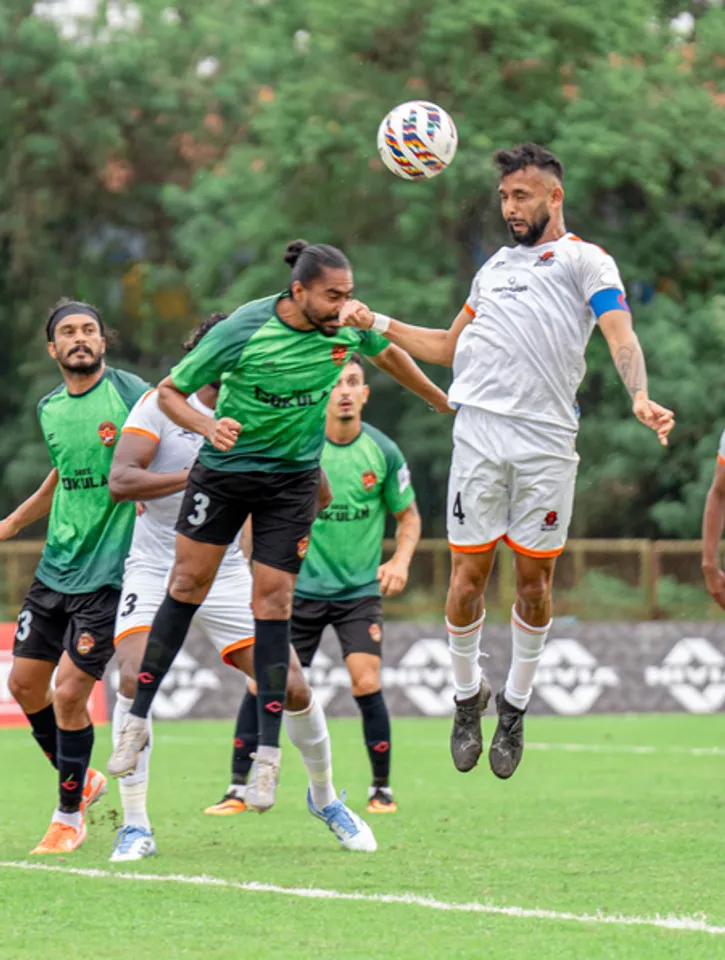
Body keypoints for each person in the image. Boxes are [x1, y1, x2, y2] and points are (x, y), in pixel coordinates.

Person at [339, 143, 675, 781]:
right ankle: (469, 696)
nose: (510, 208)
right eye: (503, 198)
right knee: (466, 580)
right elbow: (444, 346)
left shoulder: (586, 262)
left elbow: (619, 332)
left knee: (534, 584)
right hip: (480, 438)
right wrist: (374, 318)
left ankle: (515, 706)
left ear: (555, 197)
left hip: (547, 443)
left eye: (521, 196)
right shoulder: (491, 269)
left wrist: (639, 394)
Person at [109, 239, 450, 812]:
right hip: (226, 473)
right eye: (333, 295)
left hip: (290, 480)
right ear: (299, 292)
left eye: (349, 293)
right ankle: (135, 720)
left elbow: (389, 354)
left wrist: (438, 400)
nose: (346, 305)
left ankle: (267, 759)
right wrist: (204, 425)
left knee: (274, 601)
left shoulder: (345, 326)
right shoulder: (244, 328)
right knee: (185, 585)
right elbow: (170, 390)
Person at [107, 314, 376, 859]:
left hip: (228, 570)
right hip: (159, 565)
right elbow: (121, 481)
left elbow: (315, 491)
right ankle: (135, 824)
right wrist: (206, 472)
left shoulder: (262, 403)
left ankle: (325, 799)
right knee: (134, 676)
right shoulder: (162, 405)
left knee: (294, 688)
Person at [211, 353, 419, 816]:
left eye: (354, 383)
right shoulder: (301, 447)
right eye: (337, 383)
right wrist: (251, 565)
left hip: (357, 594)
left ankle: (380, 789)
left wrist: (400, 560)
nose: (344, 391)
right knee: (261, 683)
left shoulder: (382, 451)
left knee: (366, 681)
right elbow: (256, 509)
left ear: (365, 394)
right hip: (296, 591)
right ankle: (235, 789)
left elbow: (408, 515)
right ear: (324, 394)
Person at [1, 299, 149, 854]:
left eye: (89, 330)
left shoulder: (131, 393)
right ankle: (81, 778)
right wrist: (14, 521)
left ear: (103, 343)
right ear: (53, 349)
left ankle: (68, 815)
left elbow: (166, 443)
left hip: (111, 572)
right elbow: (64, 473)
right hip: (55, 567)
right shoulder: (49, 408)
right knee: (23, 686)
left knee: (68, 692)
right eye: (68, 332)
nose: (80, 338)